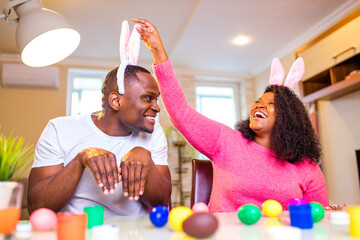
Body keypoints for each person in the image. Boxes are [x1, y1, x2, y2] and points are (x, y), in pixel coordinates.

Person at [132, 18, 329, 212]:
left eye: (271, 104)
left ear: (289, 117)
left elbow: (318, 216)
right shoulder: (226, 141)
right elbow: (180, 112)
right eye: (258, 102)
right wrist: (158, 52)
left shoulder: (307, 167)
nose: (258, 106)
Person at [28, 65, 172, 217]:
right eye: (148, 98)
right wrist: (79, 160)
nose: (157, 108)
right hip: (78, 232)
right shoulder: (59, 129)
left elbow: (163, 203)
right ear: (116, 101)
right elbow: (37, 208)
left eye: (156, 100)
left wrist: (146, 161)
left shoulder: (154, 133)